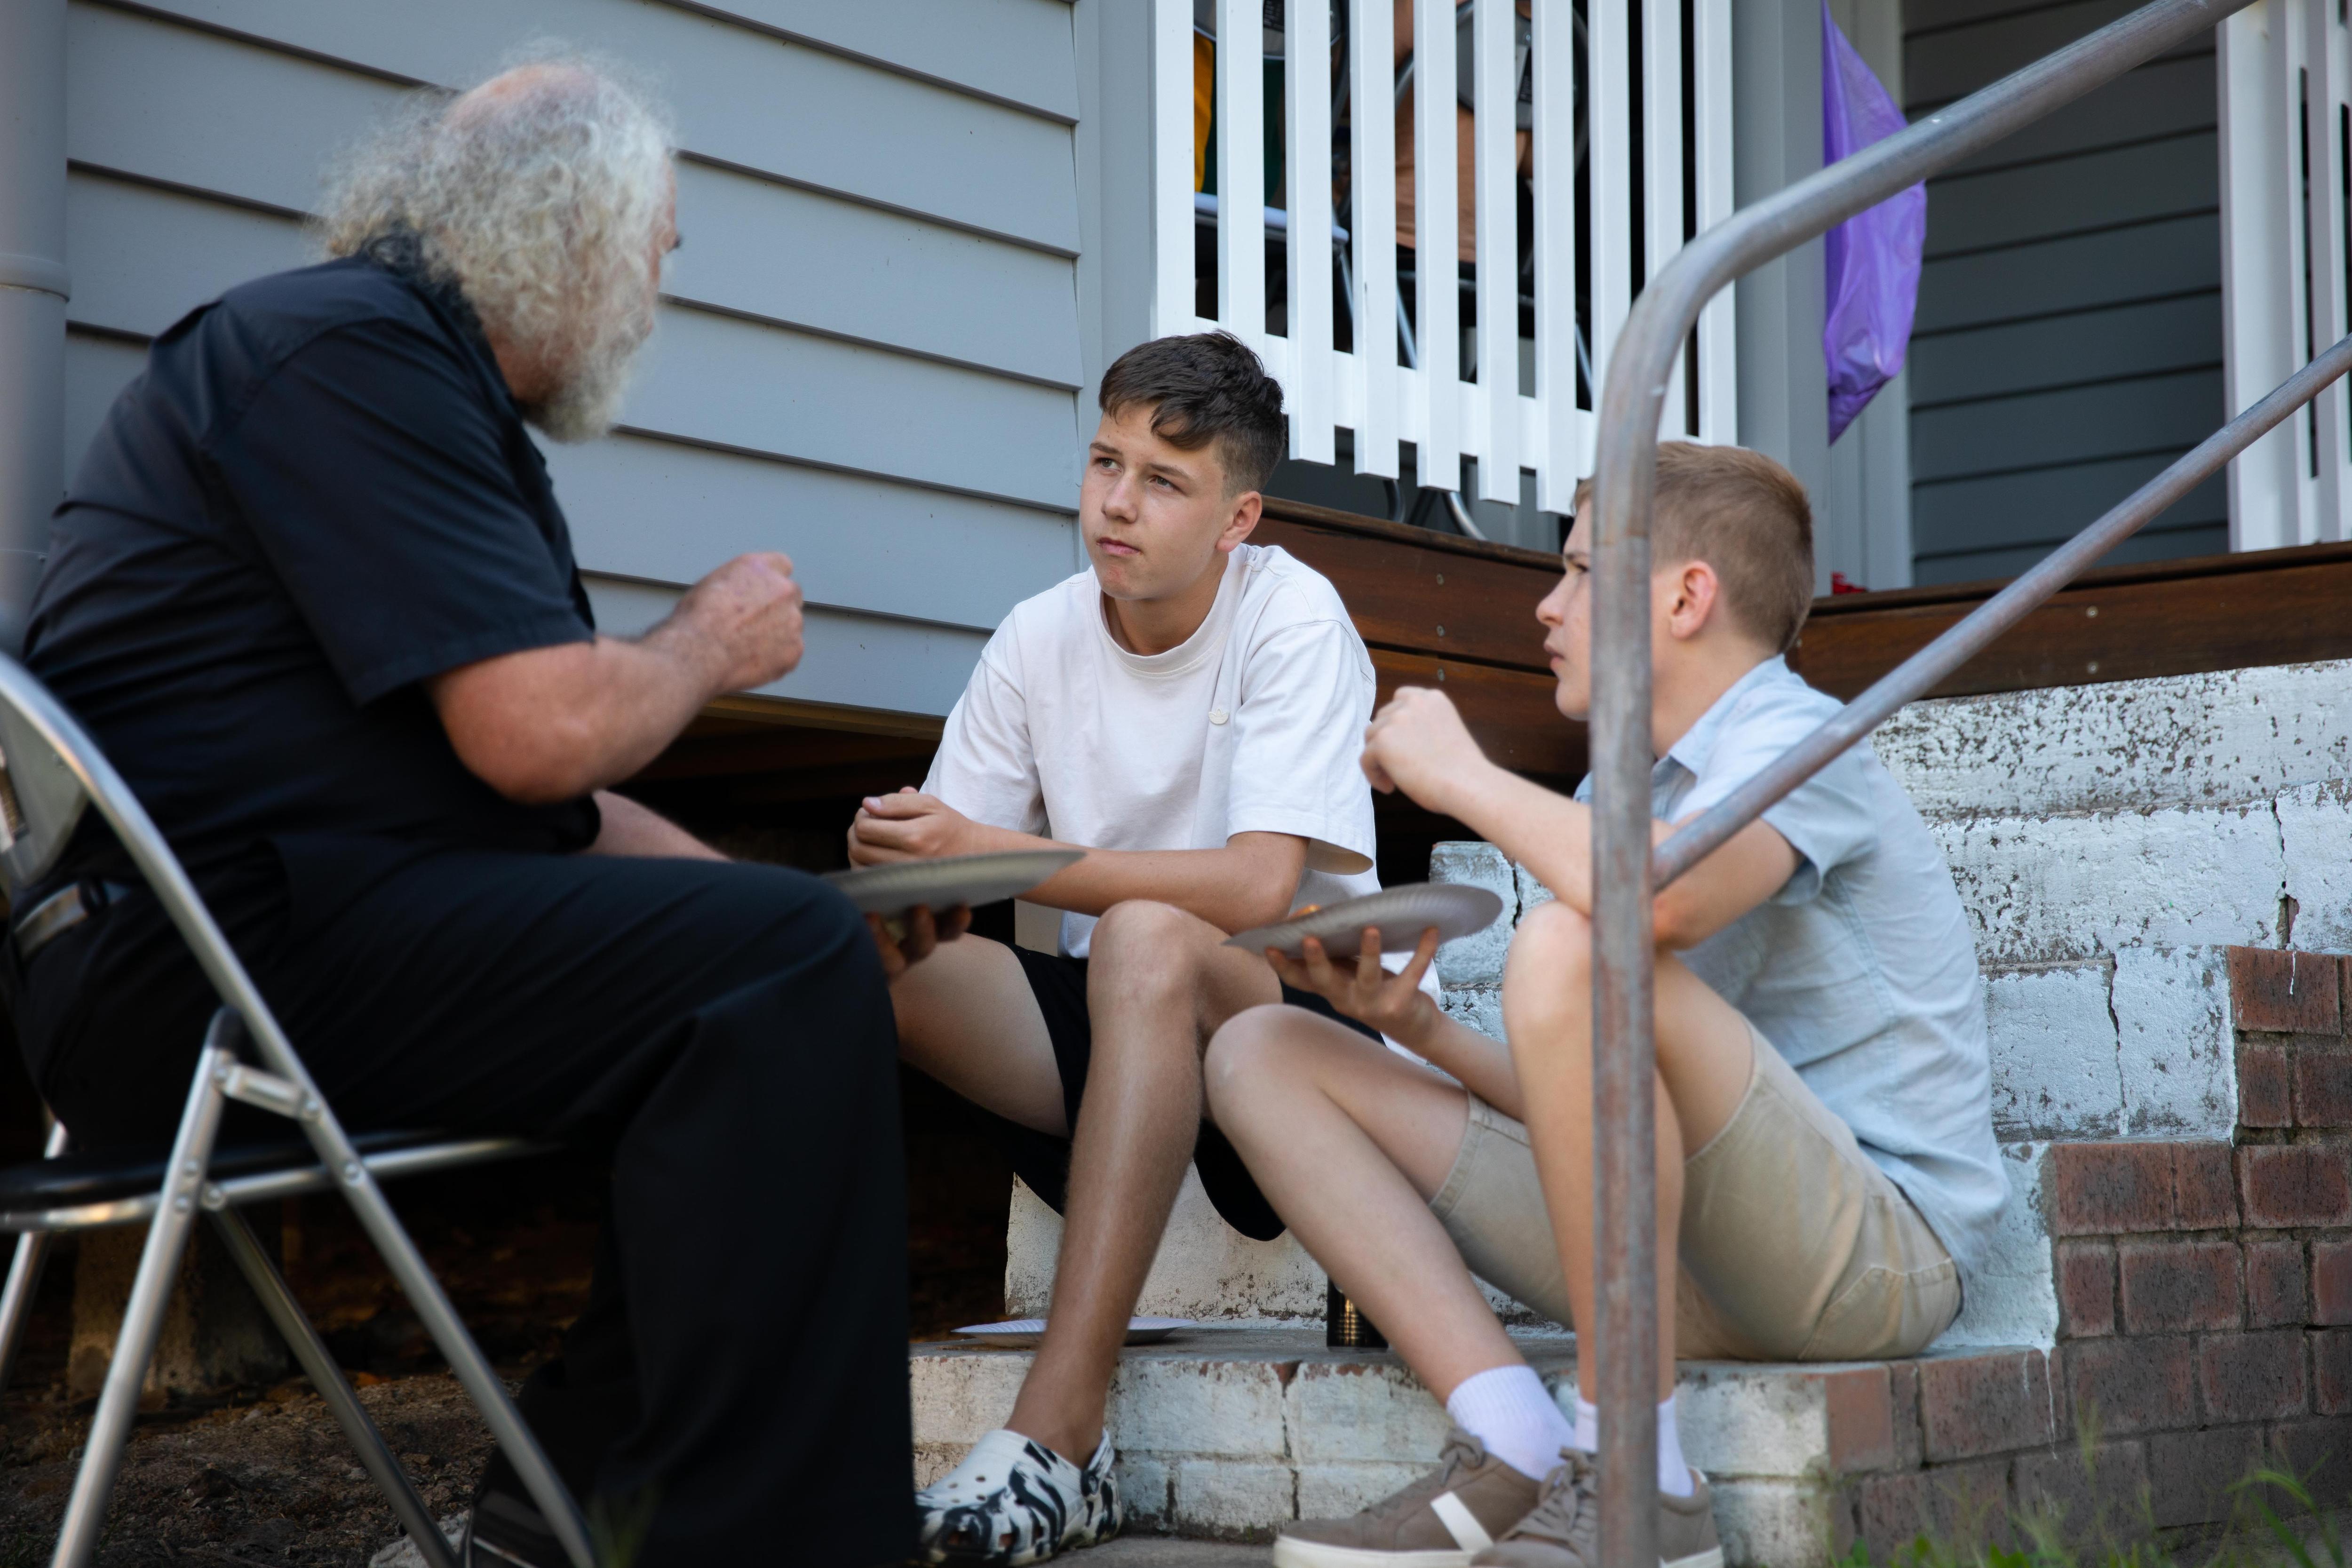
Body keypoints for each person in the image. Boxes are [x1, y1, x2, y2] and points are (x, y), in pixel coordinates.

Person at [6, 61, 947, 1568]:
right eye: (659, 250)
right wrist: (708, 636)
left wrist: (814, 930)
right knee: (770, 972)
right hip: (192, 968)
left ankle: (570, 1516)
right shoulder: (349, 356)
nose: (657, 289)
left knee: (775, 971)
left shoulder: (377, 371)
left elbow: (549, 800)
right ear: (572, 232)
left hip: (243, 930)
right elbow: (540, 735)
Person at [1202, 443, 2005, 1568]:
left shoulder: (1804, 739)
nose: (1547, 604)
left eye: (1580, 571)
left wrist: (1460, 776)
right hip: (1684, 1249)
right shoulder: (1618, 789)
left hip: (1865, 1260)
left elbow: (1654, 901)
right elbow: (1596, 1091)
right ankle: (1520, 1449)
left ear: (1685, 596)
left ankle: (1640, 1478)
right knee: (1262, 1050)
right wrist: (1418, 1027)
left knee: (1578, 934)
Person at [846, 332, 1406, 1566]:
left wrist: (1001, 849)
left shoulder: (1291, 613)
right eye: (1107, 460)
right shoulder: (1038, 634)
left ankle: (1058, 1439)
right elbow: (947, 878)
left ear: (1236, 517)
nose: (1116, 500)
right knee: (846, 958)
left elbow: (1261, 882)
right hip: (1118, 1039)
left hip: (1288, 1027)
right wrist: (899, 851)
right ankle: (778, 1388)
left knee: (1153, 931)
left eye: (1164, 478)